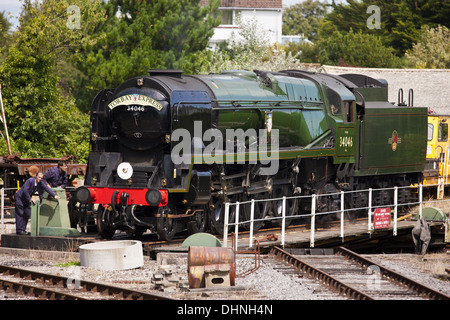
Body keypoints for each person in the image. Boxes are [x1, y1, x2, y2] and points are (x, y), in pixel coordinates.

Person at [15, 171, 60, 235]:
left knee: (27, 213)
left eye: (41, 178)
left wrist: (54, 195)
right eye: (39, 177)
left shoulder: (40, 183)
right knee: (20, 213)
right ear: (36, 176)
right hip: (20, 197)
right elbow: (25, 190)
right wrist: (30, 199)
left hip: (26, 199)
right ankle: (19, 230)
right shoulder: (30, 181)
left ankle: (23, 229)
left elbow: (46, 188)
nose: (40, 179)